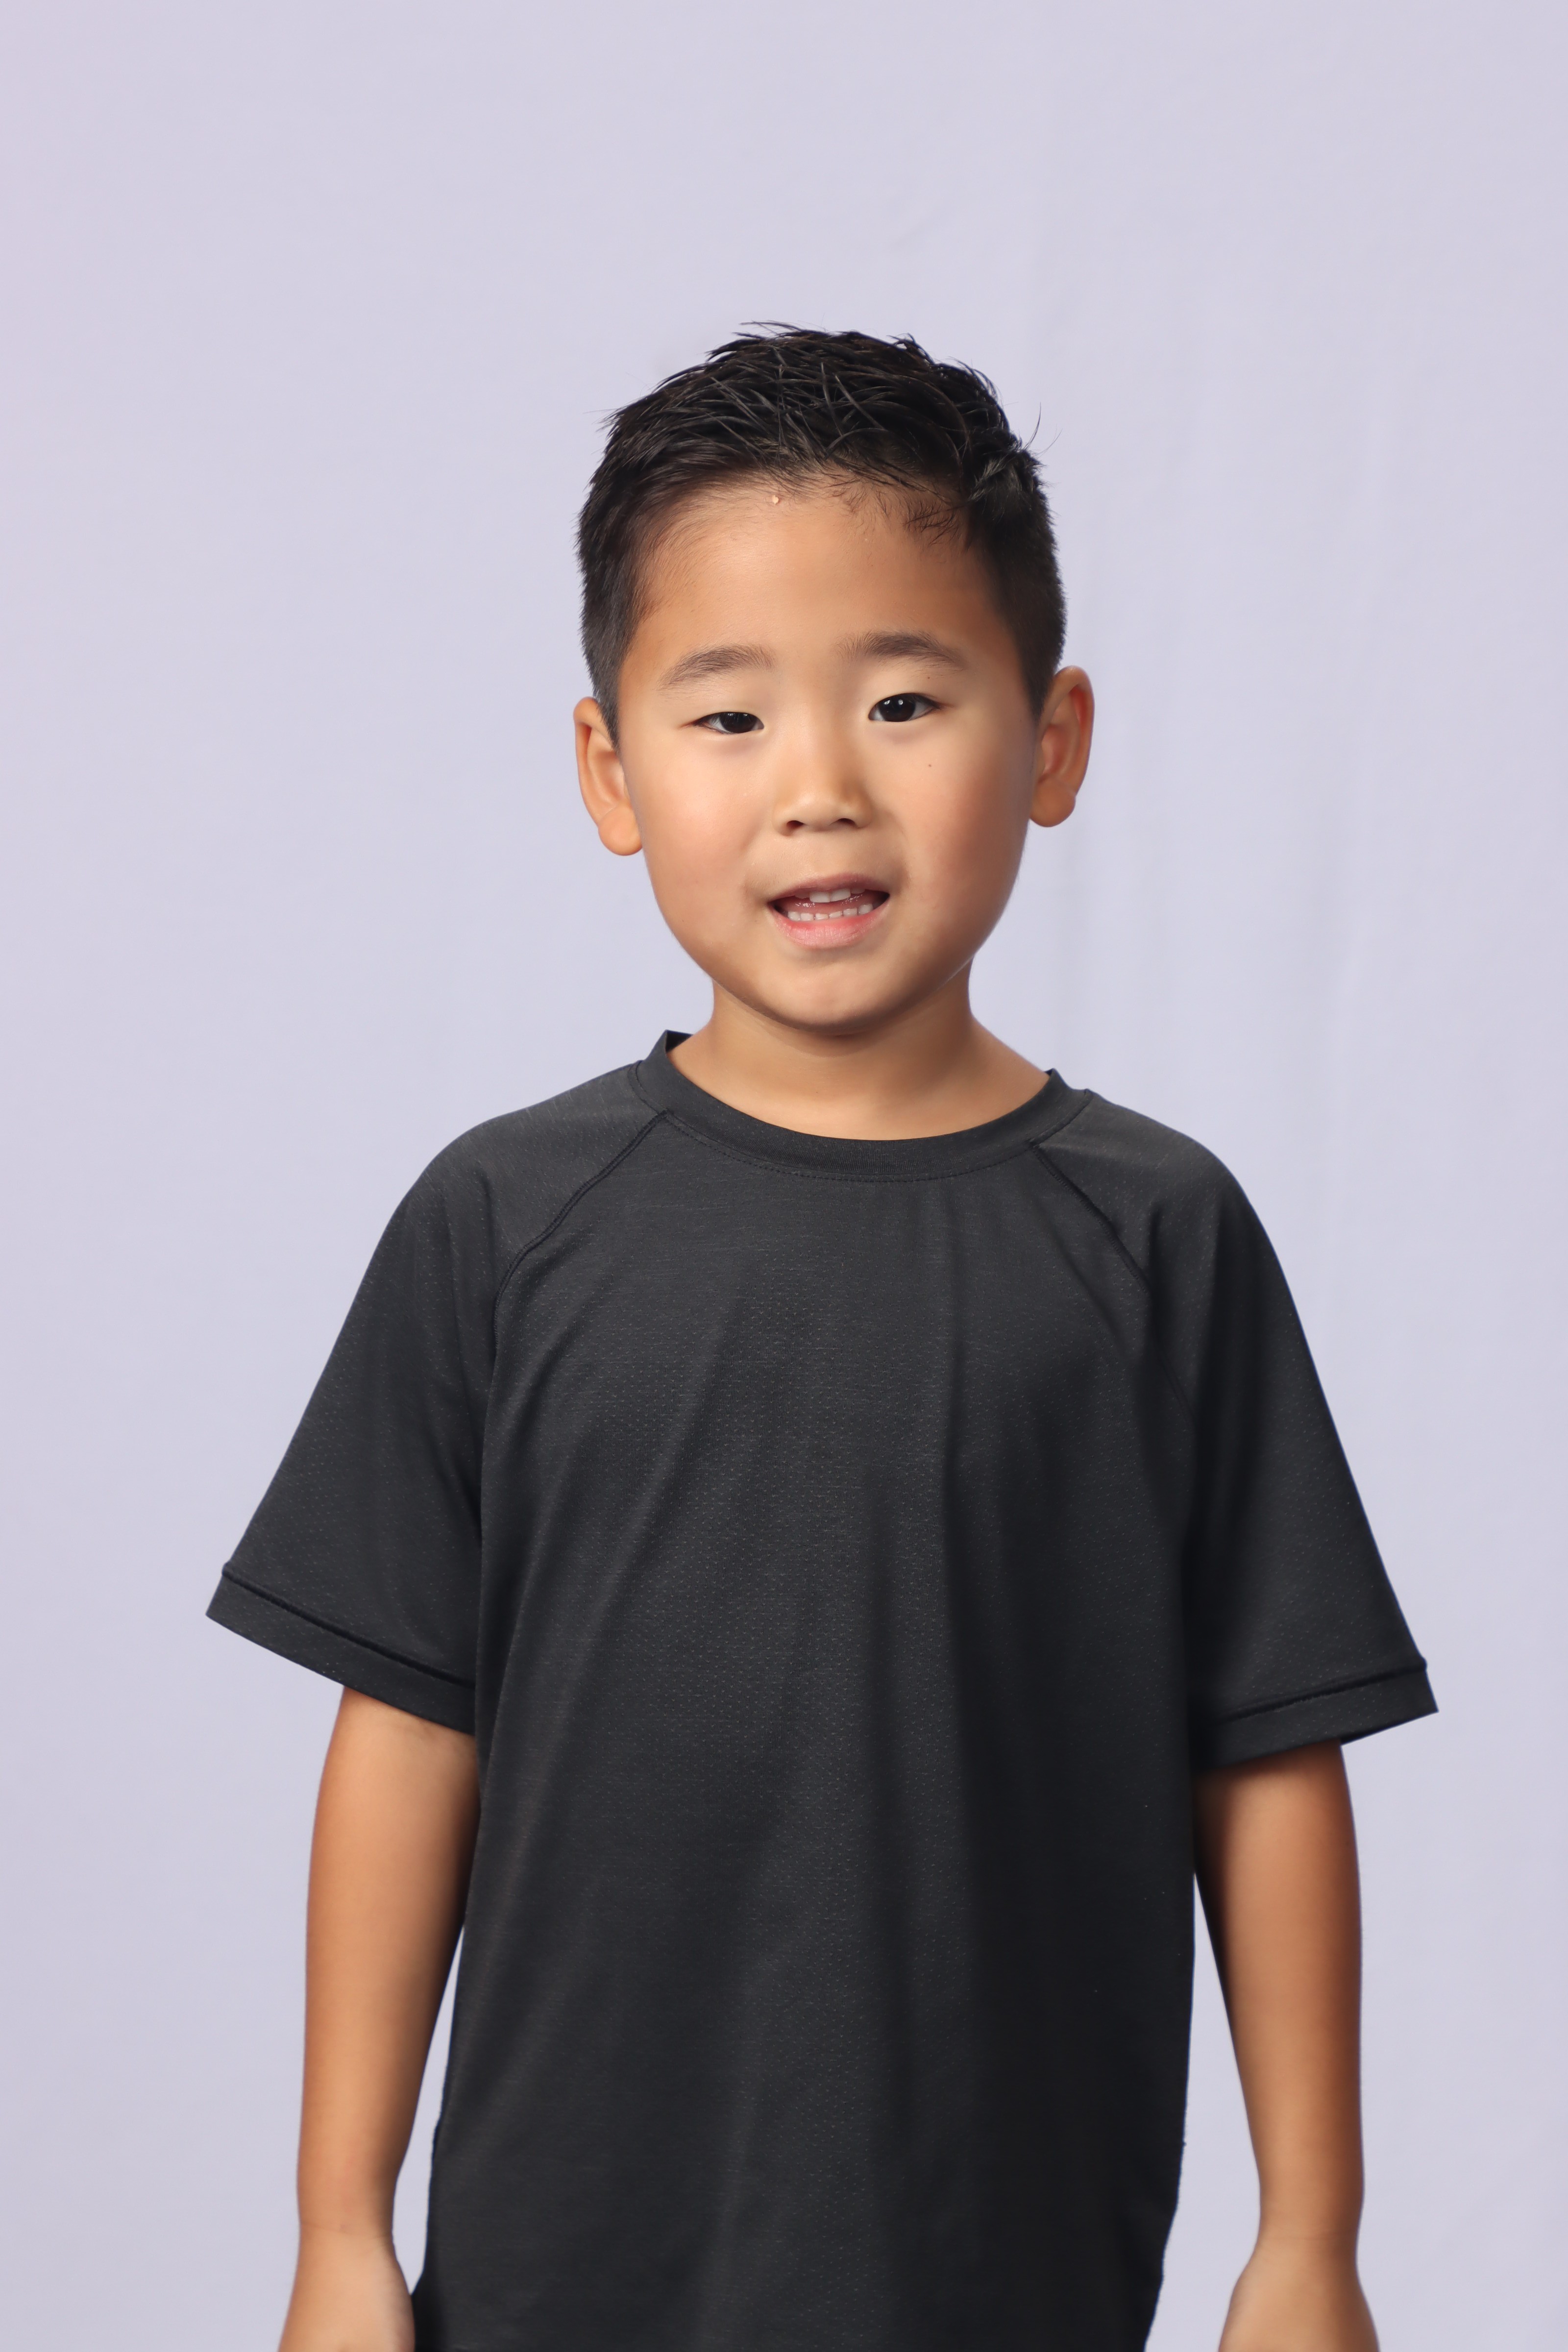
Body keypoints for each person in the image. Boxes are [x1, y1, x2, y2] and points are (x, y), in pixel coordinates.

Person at [209, 327, 1435, 2352]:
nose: (819, 789)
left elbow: (1266, 1753)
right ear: (612, 772)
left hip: (1005, 2262)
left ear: (1050, 743)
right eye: (727, 715)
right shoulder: (503, 1224)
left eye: (901, 700)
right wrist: (338, 2229)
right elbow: (412, 1731)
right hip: (555, 2274)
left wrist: (1309, 2241)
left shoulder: (1157, 1238)